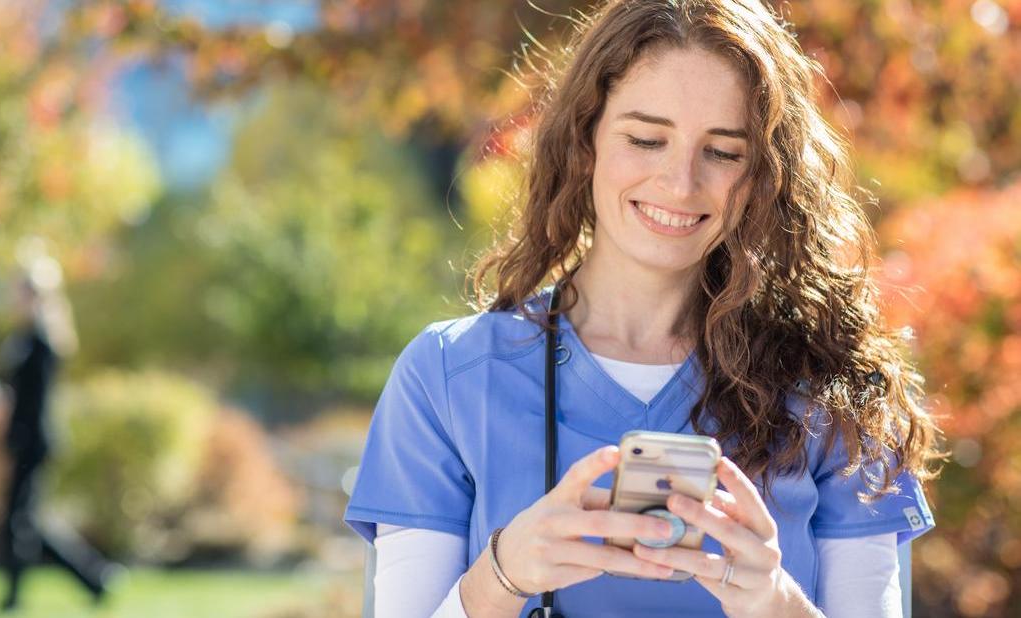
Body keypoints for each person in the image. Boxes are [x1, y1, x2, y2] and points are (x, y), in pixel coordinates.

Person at [344, 1, 942, 616]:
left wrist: (772, 601)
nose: (680, 183)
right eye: (646, 139)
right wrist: (505, 573)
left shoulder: (835, 395)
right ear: (585, 140)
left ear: (764, 174)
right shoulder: (447, 377)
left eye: (724, 152)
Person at [0, 255, 121, 611]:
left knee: (21, 521)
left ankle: (88, 576)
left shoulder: (41, 340)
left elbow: (35, 402)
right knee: (26, 522)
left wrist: (19, 435)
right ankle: (93, 577)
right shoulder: (25, 337)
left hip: (34, 439)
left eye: (21, 291)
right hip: (24, 438)